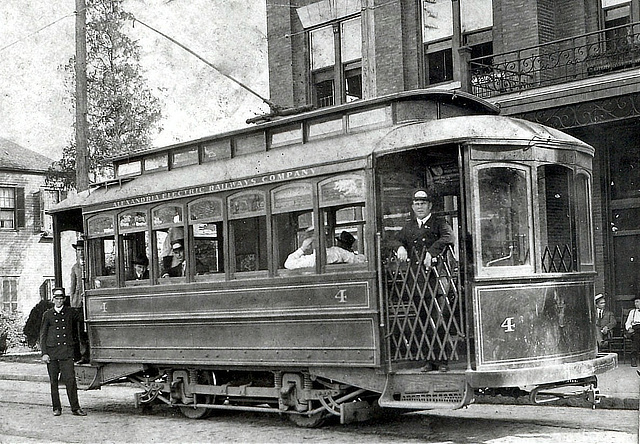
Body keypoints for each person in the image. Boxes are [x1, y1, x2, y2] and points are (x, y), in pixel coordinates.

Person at [394, 188, 455, 372]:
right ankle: (428, 360)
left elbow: (449, 237)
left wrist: (432, 252)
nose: (419, 207)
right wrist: (400, 247)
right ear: (413, 206)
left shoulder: (439, 223)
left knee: (438, 319)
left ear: (430, 205)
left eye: (423, 203)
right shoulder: (410, 226)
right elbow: (394, 240)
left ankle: (442, 360)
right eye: (416, 204)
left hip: (437, 280)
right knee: (423, 321)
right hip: (418, 282)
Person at [39, 287, 87, 416]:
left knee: (70, 380)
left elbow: (83, 317)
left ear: (64, 300)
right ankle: (56, 407)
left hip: (66, 352)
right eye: (56, 299)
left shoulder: (70, 312)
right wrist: (44, 353)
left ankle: (75, 408)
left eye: (61, 299)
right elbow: (43, 335)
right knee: (54, 381)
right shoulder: (47, 314)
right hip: (52, 352)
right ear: (53, 300)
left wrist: (83, 299)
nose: (59, 301)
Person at [284, 230, 366, 269]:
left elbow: (288, 264)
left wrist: (302, 248)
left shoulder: (314, 258)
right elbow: (361, 259)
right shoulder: (336, 251)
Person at [69, 238, 89, 364]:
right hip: (78, 303)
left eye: (82, 250)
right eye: (79, 250)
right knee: (80, 331)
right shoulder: (75, 267)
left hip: (89, 301)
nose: (81, 252)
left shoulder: (90, 265)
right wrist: (73, 302)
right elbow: (73, 286)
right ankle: (83, 355)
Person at [625, 297, 640, 367]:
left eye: (638, 302)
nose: (636, 304)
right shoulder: (632, 312)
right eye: (635, 302)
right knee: (636, 337)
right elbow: (628, 323)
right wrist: (629, 328)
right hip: (635, 329)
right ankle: (633, 357)